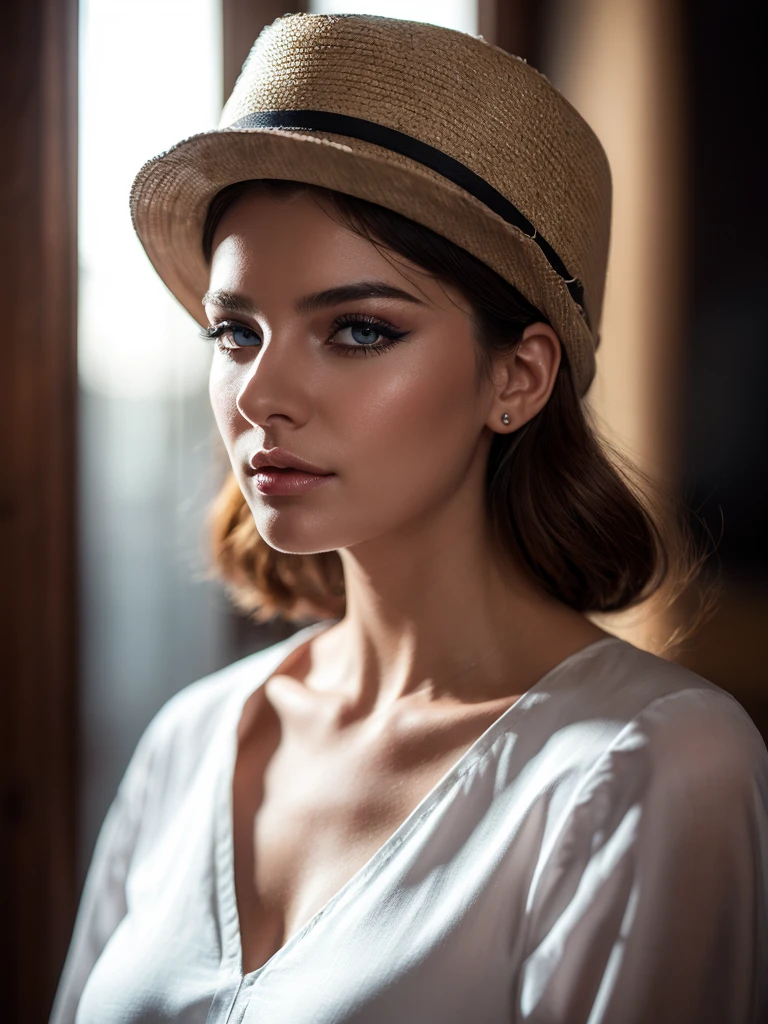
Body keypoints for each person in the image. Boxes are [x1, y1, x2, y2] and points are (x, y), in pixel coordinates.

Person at [51, 13, 768, 1024]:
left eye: (357, 329)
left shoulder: (648, 766)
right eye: (235, 330)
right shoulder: (195, 738)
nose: (261, 395)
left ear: (517, 377)